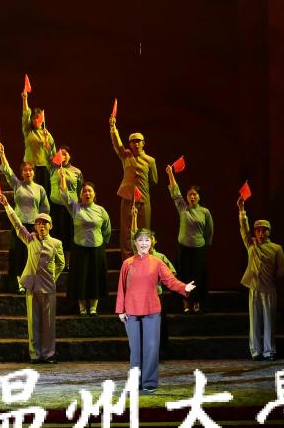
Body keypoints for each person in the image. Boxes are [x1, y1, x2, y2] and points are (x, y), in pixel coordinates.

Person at [116, 228, 195, 394]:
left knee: (151, 347)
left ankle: (149, 382)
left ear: (151, 242)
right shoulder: (127, 263)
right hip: (131, 310)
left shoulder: (157, 262)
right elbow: (121, 288)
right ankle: (135, 382)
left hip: (152, 309)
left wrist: (184, 287)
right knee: (135, 349)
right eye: (140, 240)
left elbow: (170, 280)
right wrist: (120, 310)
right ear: (135, 243)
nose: (144, 243)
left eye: (147, 240)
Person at [0, 201, 64, 364]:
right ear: (35, 226)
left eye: (44, 223)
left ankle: (48, 354)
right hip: (32, 286)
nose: (41, 226)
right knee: (33, 322)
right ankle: (35, 354)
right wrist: (7, 207)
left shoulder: (56, 243)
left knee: (48, 323)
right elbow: (18, 225)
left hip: (48, 287)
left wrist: (52, 277)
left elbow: (61, 264)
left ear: (50, 226)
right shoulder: (30, 239)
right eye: (38, 223)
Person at [53, 171, 112, 316]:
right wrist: (62, 178)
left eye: (89, 191)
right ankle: (82, 307)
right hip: (79, 249)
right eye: (84, 191)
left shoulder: (101, 211)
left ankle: (93, 307)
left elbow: (107, 229)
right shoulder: (75, 208)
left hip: (97, 249)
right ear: (80, 195)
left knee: (95, 278)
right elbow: (64, 195)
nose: (87, 193)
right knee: (81, 278)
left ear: (94, 194)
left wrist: (103, 243)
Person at [237, 197, 284, 361]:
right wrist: (241, 210)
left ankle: (269, 351)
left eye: (263, 230)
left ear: (268, 232)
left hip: (269, 289)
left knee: (268, 322)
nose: (260, 233)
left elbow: (283, 268)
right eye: (258, 230)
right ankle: (256, 351)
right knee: (254, 321)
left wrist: (274, 277)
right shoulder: (251, 245)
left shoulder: (276, 248)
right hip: (254, 288)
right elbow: (244, 229)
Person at [0, 142, 51, 293]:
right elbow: (7, 171)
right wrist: (2, 153)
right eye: (25, 170)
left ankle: (31, 281)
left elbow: (45, 209)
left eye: (30, 170)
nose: (28, 172)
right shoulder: (17, 184)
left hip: (33, 227)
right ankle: (19, 282)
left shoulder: (39, 189)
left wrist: (41, 225)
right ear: (21, 173)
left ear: (34, 173)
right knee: (17, 254)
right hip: (19, 225)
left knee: (31, 256)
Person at [165, 165, 213, 314]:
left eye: (195, 194)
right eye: (190, 194)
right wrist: (170, 174)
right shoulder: (183, 208)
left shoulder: (205, 212)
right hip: (183, 249)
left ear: (199, 197)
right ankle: (186, 304)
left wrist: (204, 246)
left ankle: (196, 304)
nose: (192, 197)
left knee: (197, 277)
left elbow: (209, 231)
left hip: (199, 250)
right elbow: (175, 192)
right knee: (184, 277)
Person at [109, 117, 158, 257]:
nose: (136, 144)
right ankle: (127, 261)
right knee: (126, 231)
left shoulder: (150, 160)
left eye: (138, 141)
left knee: (144, 231)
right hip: (127, 198)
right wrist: (113, 128)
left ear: (143, 143)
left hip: (143, 199)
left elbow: (154, 181)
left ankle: (144, 259)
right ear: (130, 144)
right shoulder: (126, 156)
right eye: (133, 141)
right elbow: (117, 144)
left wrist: (142, 189)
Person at [48, 145, 81, 265]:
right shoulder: (52, 169)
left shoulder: (76, 171)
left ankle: (68, 262)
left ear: (70, 156)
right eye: (60, 153)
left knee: (69, 234)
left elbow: (80, 189)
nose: (62, 156)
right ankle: (57, 260)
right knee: (56, 234)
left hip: (71, 207)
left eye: (65, 153)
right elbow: (48, 152)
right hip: (56, 206)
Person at [21, 91, 56, 196]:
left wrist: (46, 141)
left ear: (42, 119)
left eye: (38, 117)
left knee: (43, 194)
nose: (36, 120)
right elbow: (25, 115)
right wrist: (25, 99)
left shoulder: (47, 134)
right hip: (30, 167)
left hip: (43, 167)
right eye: (34, 118)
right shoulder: (28, 131)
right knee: (30, 194)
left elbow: (53, 154)